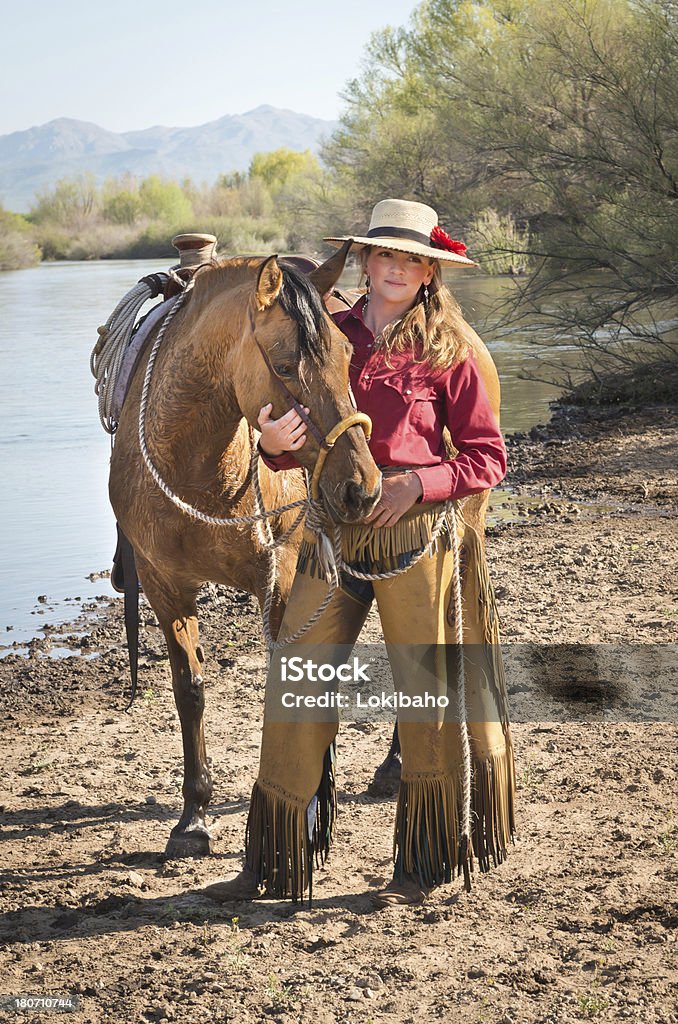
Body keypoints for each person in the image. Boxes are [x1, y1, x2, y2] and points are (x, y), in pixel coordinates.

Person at [204, 198, 515, 907]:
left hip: (416, 540)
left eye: (411, 258)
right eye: (384, 255)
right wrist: (272, 447)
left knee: (423, 695)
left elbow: (488, 457)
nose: (395, 269)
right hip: (332, 536)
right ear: (366, 262)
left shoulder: (451, 351)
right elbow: (298, 436)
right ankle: (272, 861)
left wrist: (419, 483)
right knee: (297, 681)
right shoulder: (329, 336)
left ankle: (426, 862)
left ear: (430, 271)